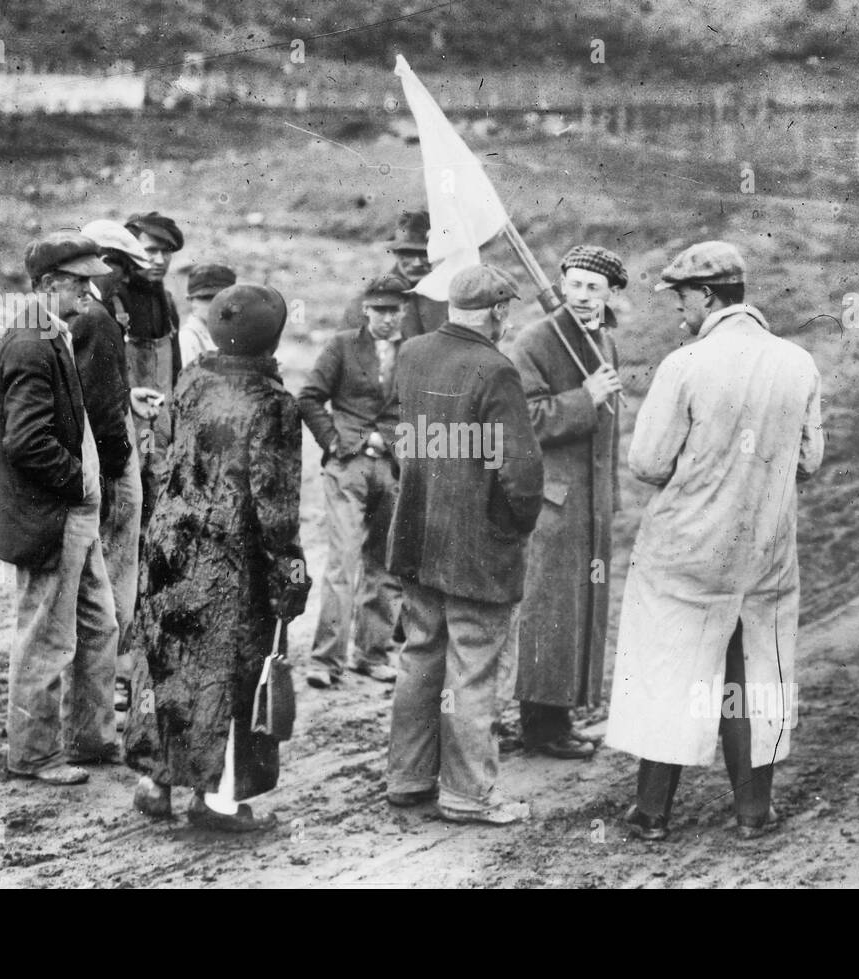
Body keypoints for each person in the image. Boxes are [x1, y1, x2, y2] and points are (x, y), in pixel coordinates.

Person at [606, 241, 824, 840]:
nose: (680, 310)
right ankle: (754, 813)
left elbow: (648, 462)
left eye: (682, 297)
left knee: (672, 669)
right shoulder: (798, 362)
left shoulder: (685, 364)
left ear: (707, 296)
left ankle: (652, 813)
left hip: (687, 549)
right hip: (765, 548)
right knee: (752, 675)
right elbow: (810, 458)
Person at [124, 284, 311, 831]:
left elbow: (169, 453)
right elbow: (275, 506)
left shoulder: (191, 381)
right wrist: (292, 572)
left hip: (169, 545)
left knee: (164, 662)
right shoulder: (273, 405)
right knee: (228, 675)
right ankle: (220, 801)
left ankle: (154, 782)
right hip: (230, 561)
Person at [385, 264, 544, 826]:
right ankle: (468, 794)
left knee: (420, 656)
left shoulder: (412, 352)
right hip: (477, 546)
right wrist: (514, 525)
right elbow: (520, 474)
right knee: (474, 666)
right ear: (499, 312)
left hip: (417, 538)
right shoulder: (496, 369)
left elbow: (395, 427)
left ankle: (408, 777)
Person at [0, 231, 119, 785]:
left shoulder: (51, 331)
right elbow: (26, 440)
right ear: (49, 284)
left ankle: (92, 738)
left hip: (72, 516)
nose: (89, 289)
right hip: (54, 517)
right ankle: (33, 754)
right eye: (79, 281)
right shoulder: (32, 343)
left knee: (99, 624)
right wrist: (79, 483)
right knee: (46, 638)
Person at [508, 244, 626, 759]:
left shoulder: (602, 341)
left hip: (592, 503)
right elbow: (525, 420)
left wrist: (610, 496)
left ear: (610, 292)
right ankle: (540, 725)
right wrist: (586, 399)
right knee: (550, 610)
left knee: (581, 611)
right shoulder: (535, 341)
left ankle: (561, 717)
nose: (582, 296)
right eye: (574, 284)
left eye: (593, 287)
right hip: (554, 503)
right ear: (561, 283)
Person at [298, 273, 410, 689]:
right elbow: (309, 397)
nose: (386, 318)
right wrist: (335, 442)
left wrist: (398, 445)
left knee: (385, 566)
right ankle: (325, 661)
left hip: (393, 470)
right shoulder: (343, 346)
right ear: (366, 309)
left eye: (394, 309)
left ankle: (372, 654)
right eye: (379, 309)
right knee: (342, 563)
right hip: (348, 467)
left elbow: (426, 409)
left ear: (405, 310)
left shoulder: (414, 354)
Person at [79, 219, 155, 718]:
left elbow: (99, 390)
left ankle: (106, 690)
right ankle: (106, 694)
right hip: (107, 467)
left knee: (111, 585)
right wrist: (115, 465)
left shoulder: (91, 316)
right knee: (111, 585)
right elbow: (89, 400)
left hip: (106, 459)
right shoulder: (97, 319)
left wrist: (127, 398)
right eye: (119, 266)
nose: (121, 277)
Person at [120, 210, 184, 528]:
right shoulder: (114, 303)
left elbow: (177, 373)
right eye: (150, 250)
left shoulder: (168, 305)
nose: (159, 260)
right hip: (124, 428)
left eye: (166, 252)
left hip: (160, 430)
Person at [342, 210, 447, 339]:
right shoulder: (369, 298)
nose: (417, 263)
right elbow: (346, 348)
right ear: (396, 254)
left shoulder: (450, 296)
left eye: (425, 254)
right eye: (408, 254)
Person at [179, 263, 238, 367]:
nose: (214, 304)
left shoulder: (234, 331)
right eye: (206, 298)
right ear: (190, 300)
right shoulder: (189, 337)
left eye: (221, 298)